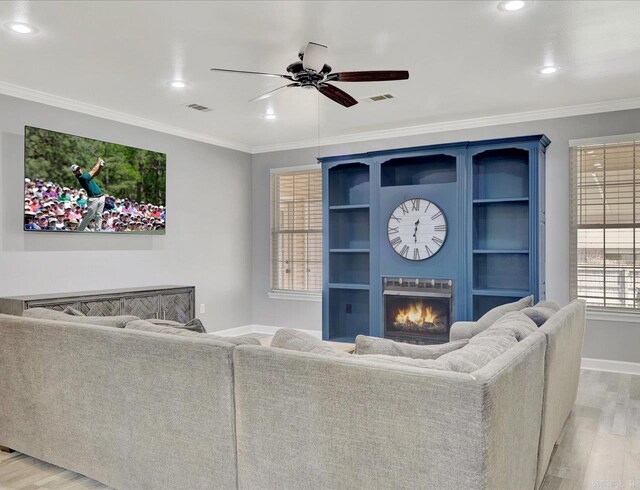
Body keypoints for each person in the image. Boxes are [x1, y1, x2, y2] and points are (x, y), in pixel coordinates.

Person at [70, 158, 105, 231]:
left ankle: (98, 231)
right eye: (76, 170)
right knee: (90, 216)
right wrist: (98, 162)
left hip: (101, 197)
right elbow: (93, 170)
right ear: (74, 173)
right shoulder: (82, 177)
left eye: (78, 168)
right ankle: (79, 230)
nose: (78, 170)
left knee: (99, 215)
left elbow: (96, 173)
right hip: (93, 199)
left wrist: (101, 166)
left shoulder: (85, 175)